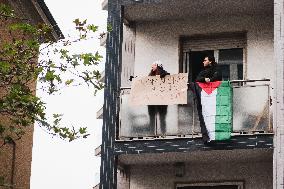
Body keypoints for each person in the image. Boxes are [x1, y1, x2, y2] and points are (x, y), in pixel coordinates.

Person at [148, 61, 169, 135]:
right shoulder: (150, 75)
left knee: (162, 117)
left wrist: (161, 76)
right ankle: (152, 133)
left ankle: (163, 133)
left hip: (161, 100)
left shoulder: (165, 74)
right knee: (152, 117)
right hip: (152, 100)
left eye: (153, 65)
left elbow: (168, 76)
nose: (152, 67)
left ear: (157, 66)